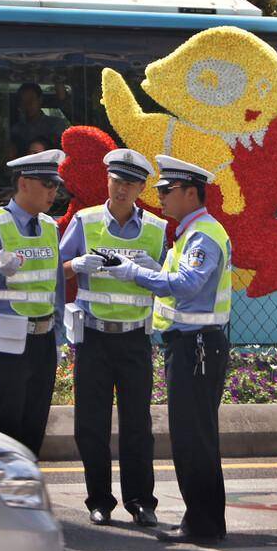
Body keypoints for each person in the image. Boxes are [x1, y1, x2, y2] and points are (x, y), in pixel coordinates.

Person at [103, 155, 231, 545]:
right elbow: (179, 278)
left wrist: (134, 273)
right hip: (193, 346)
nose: (159, 197)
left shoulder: (203, 235)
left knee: (193, 437)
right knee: (196, 435)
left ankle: (202, 523)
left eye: (166, 190)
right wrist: (147, 265)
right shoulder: (191, 233)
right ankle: (206, 520)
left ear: (190, 193)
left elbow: (188, 284)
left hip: (196, 347)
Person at [59, 148, 164, 528]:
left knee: (137, 424)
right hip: (94, 337)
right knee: (92, 424)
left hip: (135, 339)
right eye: (117, 181)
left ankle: (141, 501)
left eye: (131, 183)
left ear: (141, 188)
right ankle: (99, 500)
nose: (122, 189)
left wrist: (156, 270)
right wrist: (73, 264)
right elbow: (56, 268)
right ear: (107, 181)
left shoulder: (156, 229)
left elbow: (169, 281)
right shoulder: (85, 222)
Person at [0, 149, 66, 456]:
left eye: (56, 185)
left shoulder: (50, 226)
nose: (53, 192)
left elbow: (56, 285)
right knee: (6, 418)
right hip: (9, 337)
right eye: (47, 184)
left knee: (35, 420)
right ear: (24, 183)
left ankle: (26, 481)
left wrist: (59, 336)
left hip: (44, 337)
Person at [10, 83, 68, 158]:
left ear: (40, 100)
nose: (28, 104)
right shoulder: (16, 129)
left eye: (31, 99)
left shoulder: (56, 124)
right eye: (23, 101)